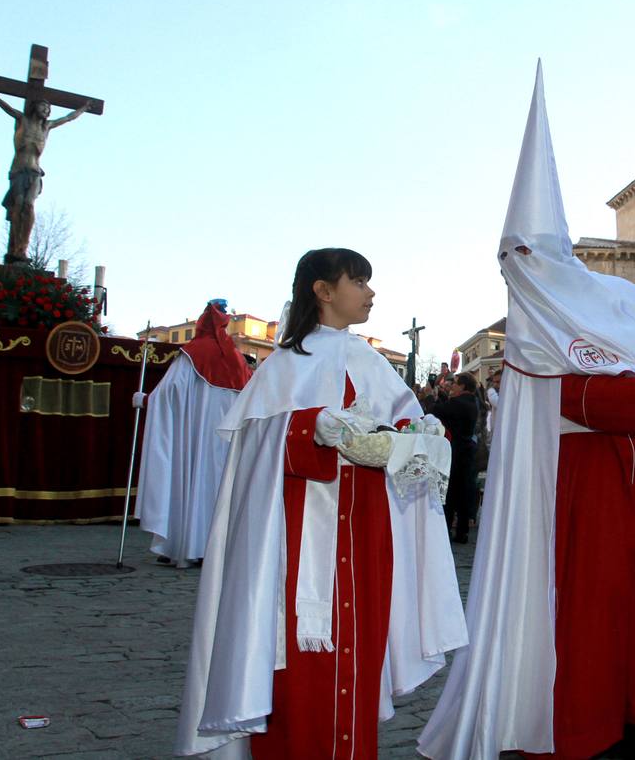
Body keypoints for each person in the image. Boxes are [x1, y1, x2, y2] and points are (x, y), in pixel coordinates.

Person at [421, 64, 635, 760]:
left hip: (624, 469)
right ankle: (584, 725)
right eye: (512, 253)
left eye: (531, 248)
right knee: (586, 605)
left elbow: (630, 349)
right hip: (568, 482)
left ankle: (630, 713)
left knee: (632, 595)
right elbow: (554, 394)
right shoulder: (533, 314)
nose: (521, 263)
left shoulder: (587, 295)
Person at [175, 248, 466, 758]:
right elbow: (255, 449)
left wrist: (422, 433)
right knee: (301, 667)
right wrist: (312, 427)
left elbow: (402, 427)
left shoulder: (373, 362)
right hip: (297, 538)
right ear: (323, 290)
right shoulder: (285, 365)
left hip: (368, 532)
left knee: (361, 655)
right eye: (359, 281)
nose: (371, 293)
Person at [134, 300, 252, 567]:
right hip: (227, 441)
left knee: (190, 485)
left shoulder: (192, 353)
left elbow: (170, 392)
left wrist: (145, 400)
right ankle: (215, 548)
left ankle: (184, 545)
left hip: (194, 439)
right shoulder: (236, 360)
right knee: (220, 487)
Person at [0, 71, 91, 263]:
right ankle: (15, 249)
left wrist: (84, 107)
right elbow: (0, 102)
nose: (47, 111)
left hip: (35, 172)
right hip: (19, 171)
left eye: (49, 109)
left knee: (28, 205)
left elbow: (69, 117)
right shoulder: (22, 120)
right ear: (35, 107)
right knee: (19, 206)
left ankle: (22, 247)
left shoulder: (47, 127)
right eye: (44, 107)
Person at [432, 372, 480, 543]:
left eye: (455, 383)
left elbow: (436, 412)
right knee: (464, 491)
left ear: (463, 386)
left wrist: (437, 397)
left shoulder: (458, 403)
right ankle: (462, 531)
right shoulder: (473, 402)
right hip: (467, 450)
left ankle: (446, 529)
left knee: (450, 492)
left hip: (455, 451)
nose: (452, 386)